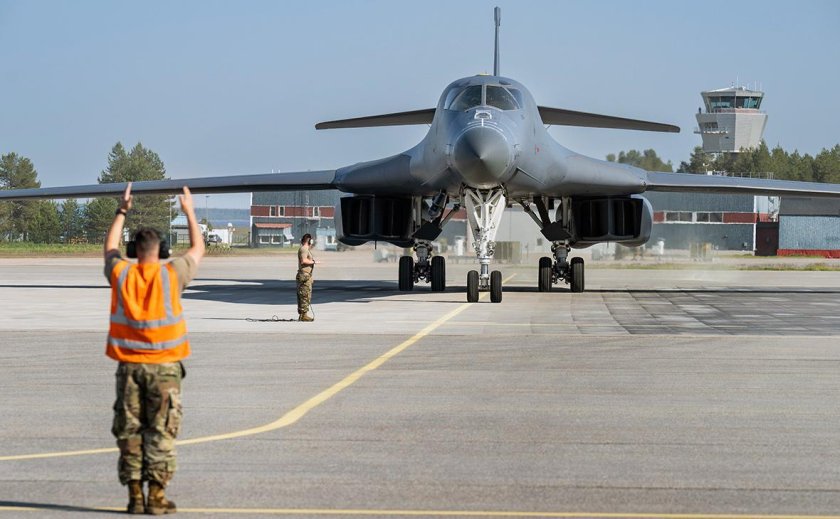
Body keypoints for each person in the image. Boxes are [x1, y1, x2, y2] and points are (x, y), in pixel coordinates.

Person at [104, 183, 205, 515]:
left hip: (129, 368)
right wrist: (189, 211)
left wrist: (122, 209)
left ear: (134, 251)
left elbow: (108, 250)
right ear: (162, 251)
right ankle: (157, 498)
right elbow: (197, 248)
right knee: (161, 431)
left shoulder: (121, 274)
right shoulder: (172, 274)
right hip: (164, 369)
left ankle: (134, 496)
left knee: (130, 430)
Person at [296, 233, 317, 321]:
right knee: (305, 295)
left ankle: (303, 314)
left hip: (306, 275)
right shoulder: (304, 249)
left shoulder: (305, 249)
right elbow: (303, 261)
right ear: (309, 241)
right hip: (304, 275)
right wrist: (314, 262)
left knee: (305, 295)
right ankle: (303, 315)